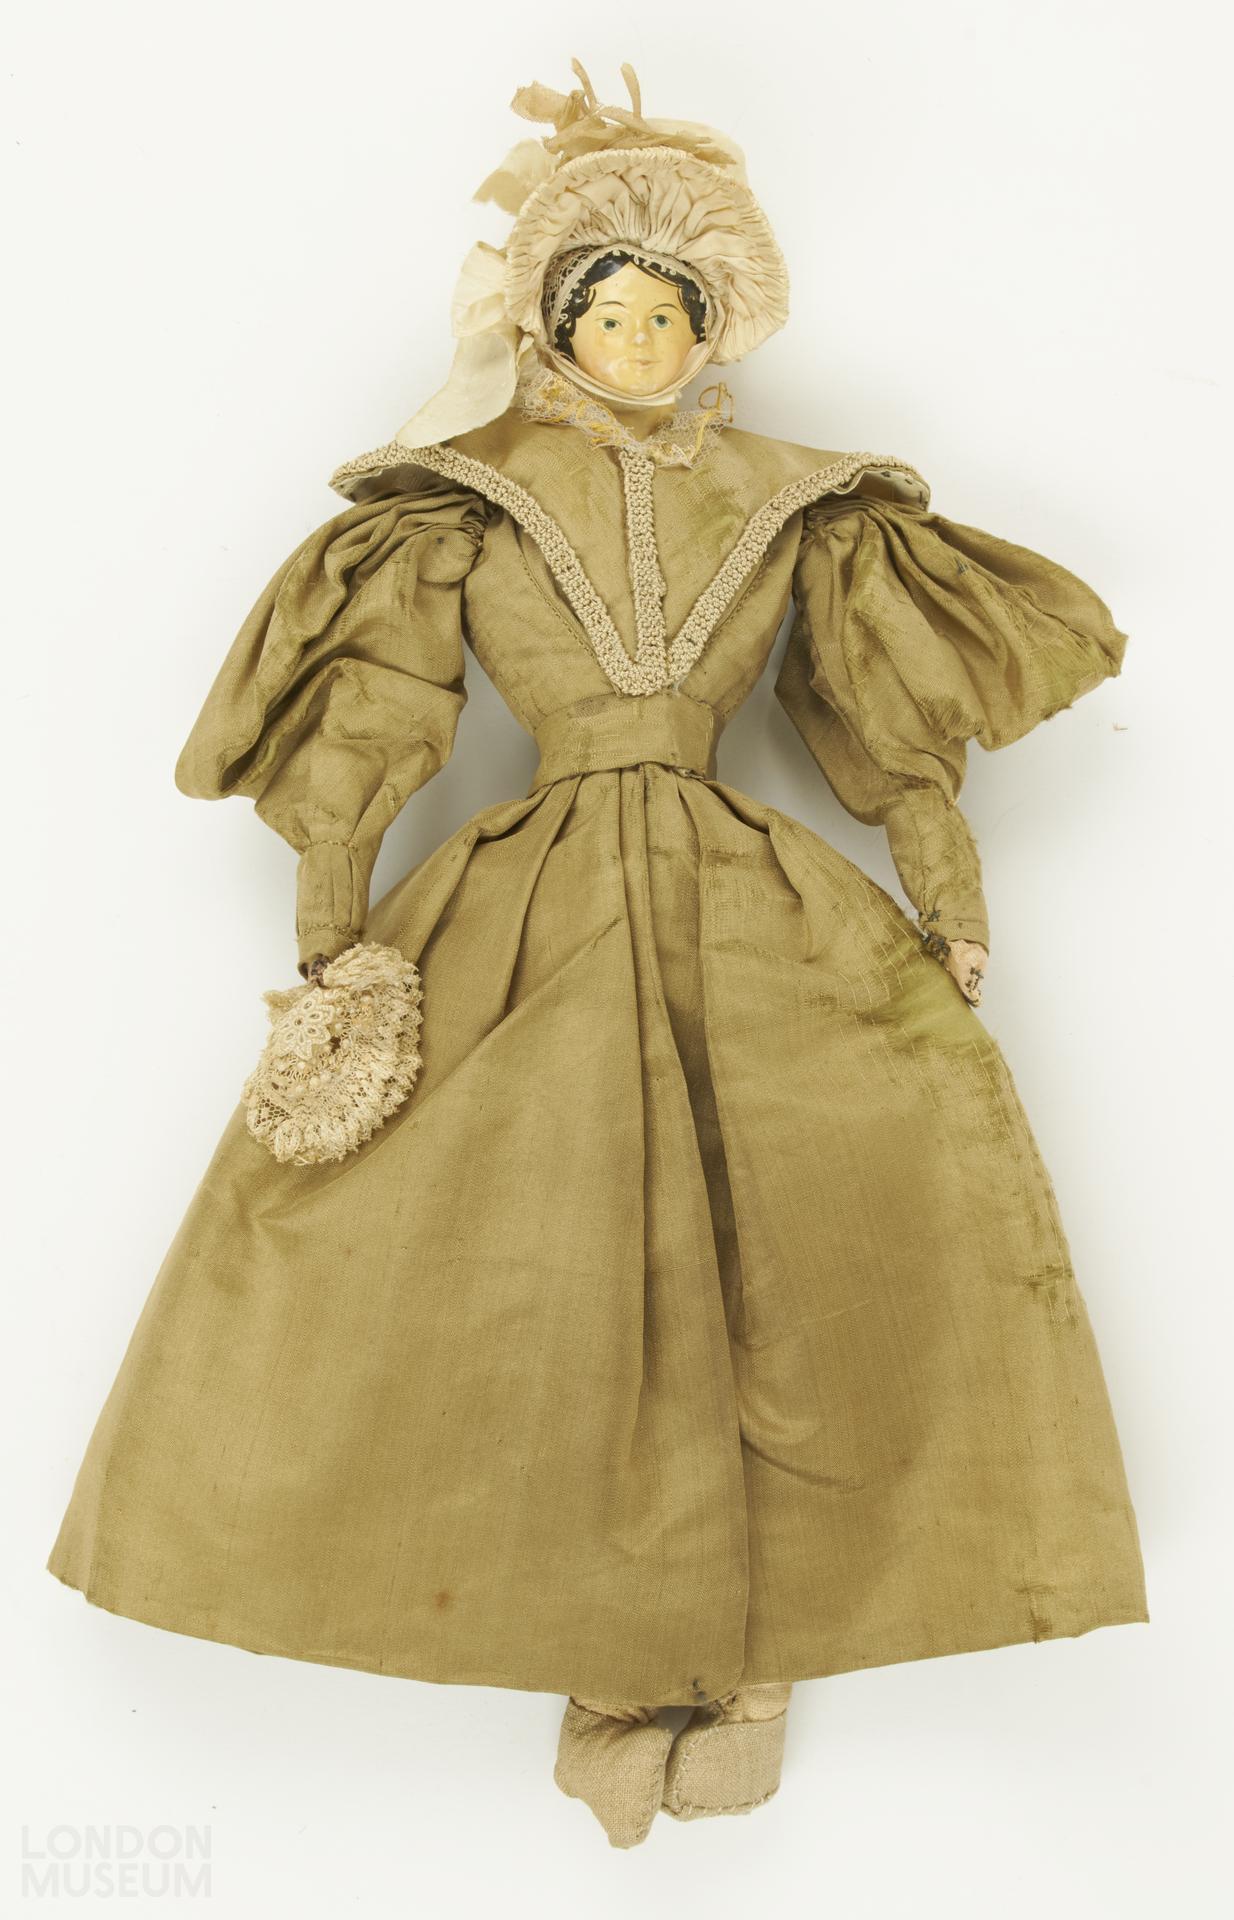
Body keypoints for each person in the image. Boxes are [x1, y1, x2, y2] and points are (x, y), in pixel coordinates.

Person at [47, 58, 1149, 1850]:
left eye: (667, 314)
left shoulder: (801, 501)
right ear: (551, 331)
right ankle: (611, 1658)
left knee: (807, 1247)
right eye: (608, 314)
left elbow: (887, 731)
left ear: (714, 328)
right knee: (535, 1274)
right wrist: (334, 942)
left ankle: (759, 1654)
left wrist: (947, 899)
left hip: (754, 904)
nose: (638, 340)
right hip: (526, 912)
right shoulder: (460, 502)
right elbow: (370, 727)